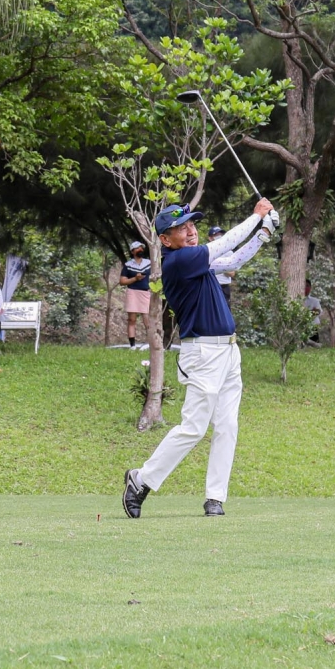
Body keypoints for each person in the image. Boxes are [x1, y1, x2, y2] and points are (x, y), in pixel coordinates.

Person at [123, 197, 277, 519]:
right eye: (181, 228)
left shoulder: (196, 260)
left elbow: (233, 260)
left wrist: (263, 234)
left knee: (227, 426)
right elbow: (225, 244)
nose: (191, 230)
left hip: (228, 351)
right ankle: (140, 480)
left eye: (192, 224)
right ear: (165, 240)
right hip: (203, 353)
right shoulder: (178, 262)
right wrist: (256, 217)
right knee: (194, 427)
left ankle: (215, 498)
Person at [121, 242, 152, 347]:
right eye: (137, 248)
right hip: (132, 292)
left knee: (147, 319)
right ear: (132, 251)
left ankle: (150, 344)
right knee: (132, 319)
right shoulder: (128, 265)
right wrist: (135, 278)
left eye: (141, 248)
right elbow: (122, 281)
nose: (140, 250)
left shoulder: (149, 263)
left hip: (145, 292)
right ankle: (132, 346)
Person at [207, 226, 233, 304]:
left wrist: (219, 266)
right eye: (216, 234)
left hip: (224, 286)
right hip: (210, 286)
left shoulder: (228, 252)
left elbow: (232, 273)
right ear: (210, 238)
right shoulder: (206, 251)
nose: (219, 236)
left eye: (221, 234)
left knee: (225, 312)